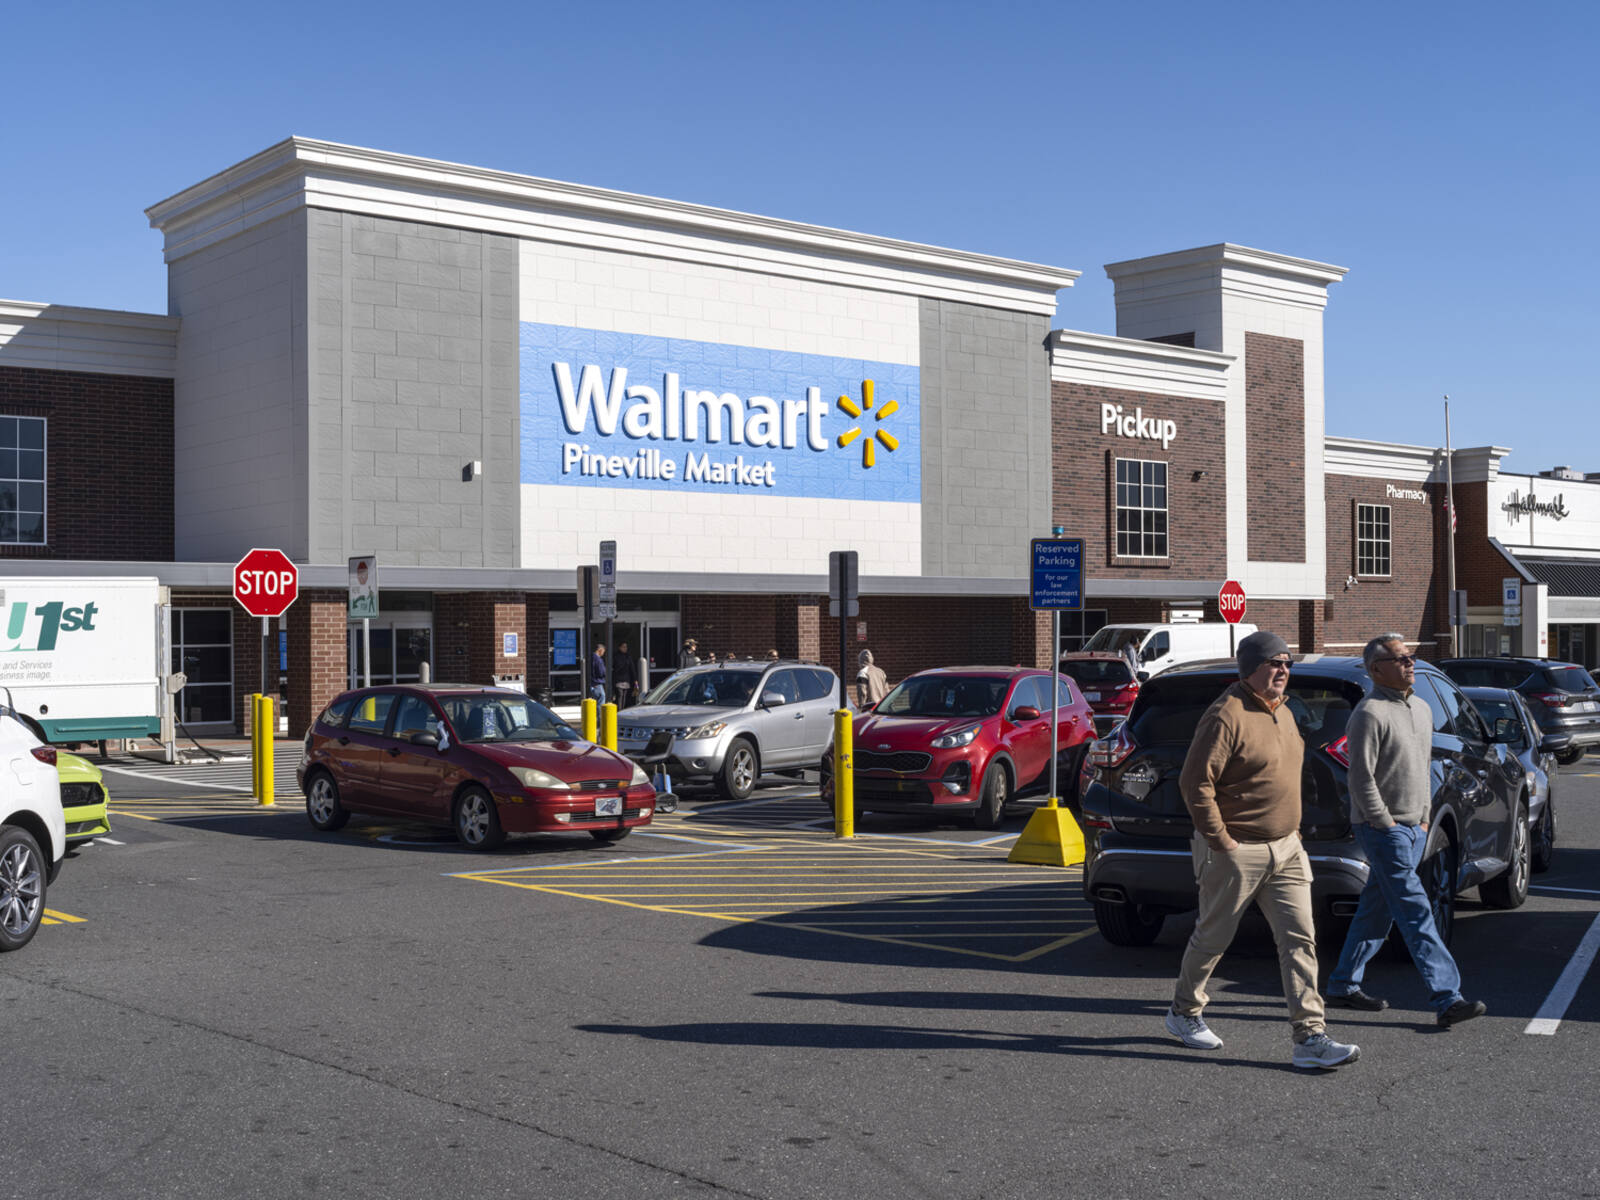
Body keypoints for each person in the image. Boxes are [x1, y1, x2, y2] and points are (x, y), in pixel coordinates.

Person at [1164, 630, 1360, 1070]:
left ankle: (1310, 1037)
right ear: (1250, 667)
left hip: (1288, 850)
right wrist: (1221, 840)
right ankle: (1183, 1012)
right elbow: (1195, 784)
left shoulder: (1285, 712)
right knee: (1213, 937)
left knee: (1300, 940)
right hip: (1237, 850)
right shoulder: (1225, 715)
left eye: (1287, 663)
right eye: (1275, 663)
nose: (1283, 671)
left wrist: (1293, 830)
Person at [1324, 634, 1487, 1026]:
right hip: (1385, 832)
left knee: (1375, 912)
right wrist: (1385, 822)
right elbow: (1361, 779)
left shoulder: (1422, 708)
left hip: (1416, 826)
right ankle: (1448, 997)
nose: (1410, 663)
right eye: (1400, 659)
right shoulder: (1369, 712)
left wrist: (1426, 817)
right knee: (1416, 912)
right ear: (1376, 669)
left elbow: (1421, 767)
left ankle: (1343, 984)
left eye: (1411, 656)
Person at [612, 641, 639, 708]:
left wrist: (635, 680)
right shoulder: (616, 656)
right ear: (620, 647)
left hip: (626, 680)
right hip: (618, 680)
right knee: (619, 696)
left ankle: (622, 709)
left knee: (625, 696)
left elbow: (632, 669)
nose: (625, 648)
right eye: (623, 647)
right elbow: (616, 667)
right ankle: (619, 710)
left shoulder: (628, 656)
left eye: (626, 647)